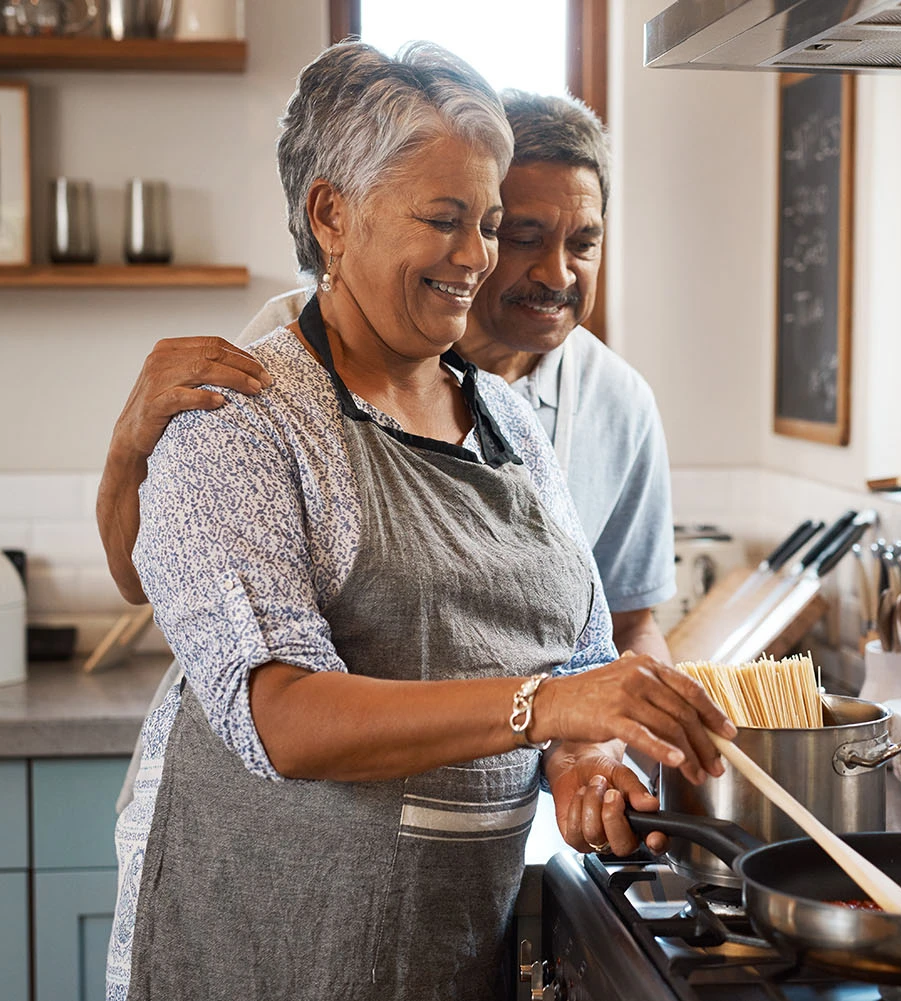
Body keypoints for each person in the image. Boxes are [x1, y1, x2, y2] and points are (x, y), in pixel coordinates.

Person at [106, 41, 733, 1001]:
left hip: (446, 941)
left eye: (487, 224)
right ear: (331, 214)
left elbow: (577, 652)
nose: (478, 257)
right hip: (276, 944)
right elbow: (276, 714)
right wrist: (548, 708)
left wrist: (583, 753)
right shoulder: (239, 412)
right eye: (445, 220)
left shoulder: (507, 417)